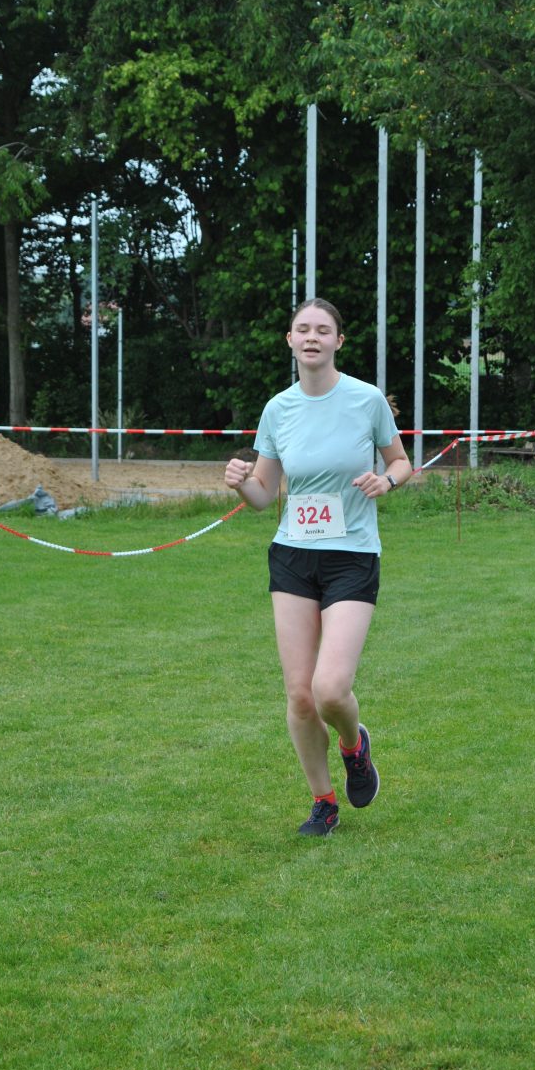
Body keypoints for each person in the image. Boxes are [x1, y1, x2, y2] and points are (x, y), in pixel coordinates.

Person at [224, 297, 412, 836]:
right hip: (292, 556)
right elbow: (264, 495)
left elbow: (401, 461)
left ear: (338, 342)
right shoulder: (277, 409)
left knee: (330, 688)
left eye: (322, 330)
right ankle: (323, 802)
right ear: (290, 340)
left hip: (352, 555)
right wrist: (240, 483)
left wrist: (387, 481)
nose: (312, 337)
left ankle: (355, 747)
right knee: (301, 697)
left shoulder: (366, 400)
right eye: (302, 329)